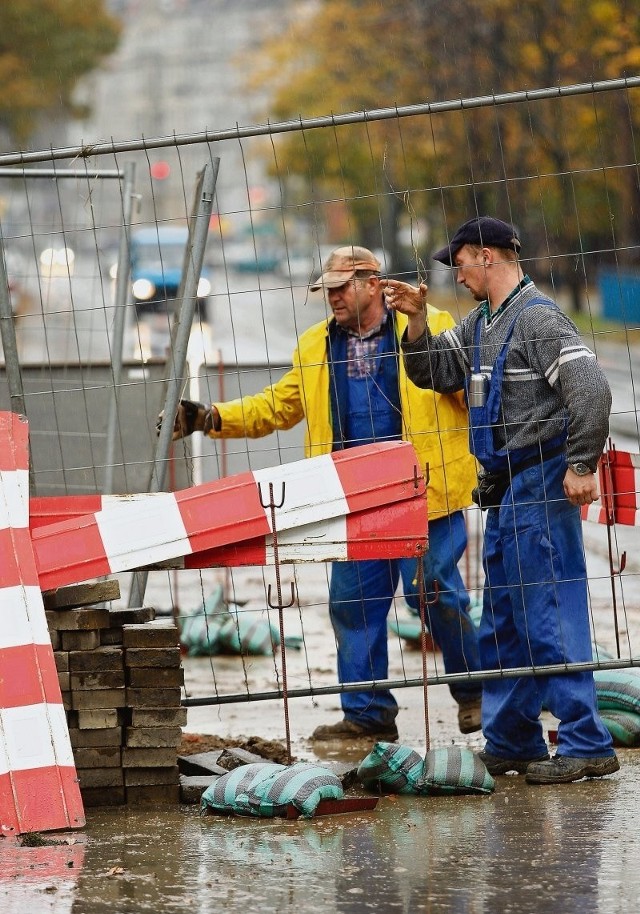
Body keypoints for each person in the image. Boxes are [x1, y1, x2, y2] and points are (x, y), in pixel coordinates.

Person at [159, 245, 482, 741]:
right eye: (326, 289)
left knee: (433, 588)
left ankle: (476, 690)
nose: (330, 297)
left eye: (339, 287)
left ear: (373, 284)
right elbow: (280, 406)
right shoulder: (315, 346)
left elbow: (465, 389)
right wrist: (211, 418)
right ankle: (367, 714)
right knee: (352, 605)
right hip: (352, 497)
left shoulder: (427, 322)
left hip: (423, 491)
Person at [383, 215, 620, 783]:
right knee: (505, 619)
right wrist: (414, 322)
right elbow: (432, 371)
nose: (455, 273)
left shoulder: (538, 320)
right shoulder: (482, 324)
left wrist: (582, 463)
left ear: (486, 256)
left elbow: (591, 388)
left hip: (540, 482)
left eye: (458, 261)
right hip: (509, 489)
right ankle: (513, 739)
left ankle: (587, 743)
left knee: (549, 614)